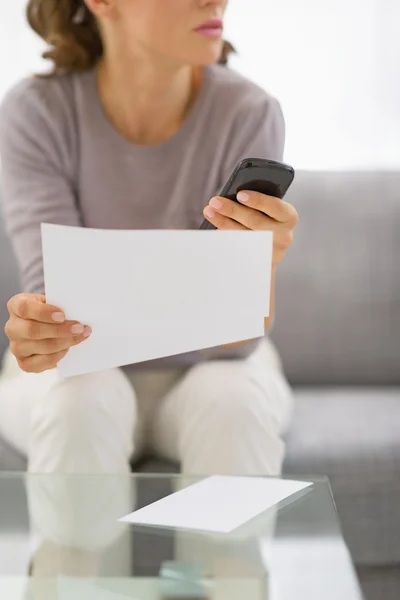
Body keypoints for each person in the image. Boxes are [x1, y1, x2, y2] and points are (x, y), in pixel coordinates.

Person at [0, 0, 298, 478]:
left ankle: (229, 556)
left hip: (211, 369)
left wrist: (260, 265)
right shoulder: (36, 111)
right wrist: (39, 326)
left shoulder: (249, 112)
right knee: (80, 402)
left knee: (234, 404)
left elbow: (236, 342)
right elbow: (58, 320)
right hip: (77, 371)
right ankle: (71, 556)